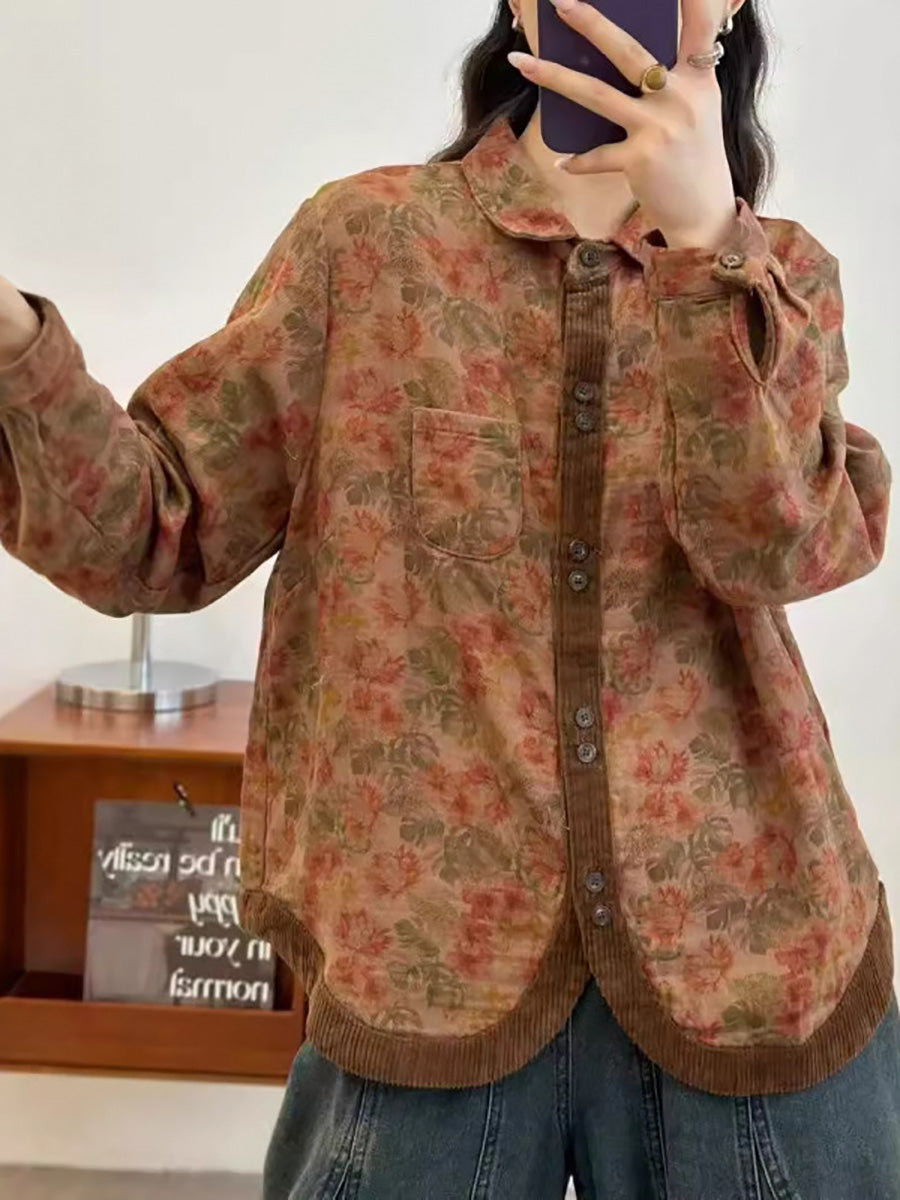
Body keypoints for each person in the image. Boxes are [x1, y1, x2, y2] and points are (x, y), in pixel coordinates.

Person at [1, 0, 898, 1195]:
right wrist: (9, 342)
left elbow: (781, 550)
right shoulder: (364, 249)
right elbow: (152, 537)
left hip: (748, 956)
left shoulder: (776, 277)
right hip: (422, 956)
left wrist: (704, 246)